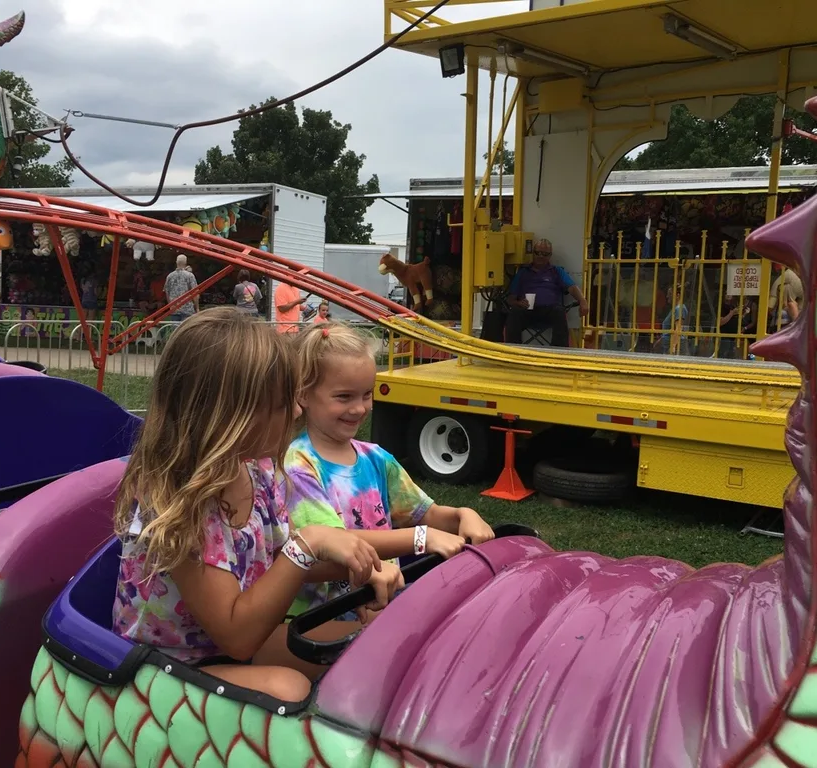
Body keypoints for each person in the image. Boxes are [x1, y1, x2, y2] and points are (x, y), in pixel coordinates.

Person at [111, 308, 383, 701]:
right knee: (287, 690)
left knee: (376, 643)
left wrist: (358, 564)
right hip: (169, 665)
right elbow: (237, 635)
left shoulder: (256, 473)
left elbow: (281, 565)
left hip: (233, 649)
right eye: (278, 404)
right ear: (227, 416)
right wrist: (308, 543)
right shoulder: (178, 503)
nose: (296, 411)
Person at [283, 322, 495, 618]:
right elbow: (330, 543)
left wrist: (462, 514)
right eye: (344, 397)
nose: (359, 408)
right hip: (326, 619)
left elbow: (427, 514)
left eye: (366, 395)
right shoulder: (298, 466)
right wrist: (421, 538)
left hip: (384, 606)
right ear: (303, 395)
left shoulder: (376, 458)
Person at [505, 239, 588, 347]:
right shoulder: (523, 272)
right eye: (537, 253)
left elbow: (572, 287)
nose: (540, 256)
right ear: (533, 253)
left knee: (559, 311)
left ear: (550, 256)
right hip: (527, 311)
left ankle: (559, 353)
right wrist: (518, 303)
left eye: (545, 254)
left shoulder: (556, 271)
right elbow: (511, 299)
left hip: (550, 311)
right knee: (514, 313)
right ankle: (513, 350)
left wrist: (582, 301)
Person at [164, 254, 198, 321]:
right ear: (185, 262)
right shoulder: (190, 276)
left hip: (174, 309)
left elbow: (167, 292)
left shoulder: (170, 276)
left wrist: (171, 305)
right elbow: (195, 293)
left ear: (176, 262)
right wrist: (197, 308)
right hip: (188, 309)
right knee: (186, 330)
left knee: (176, 330)